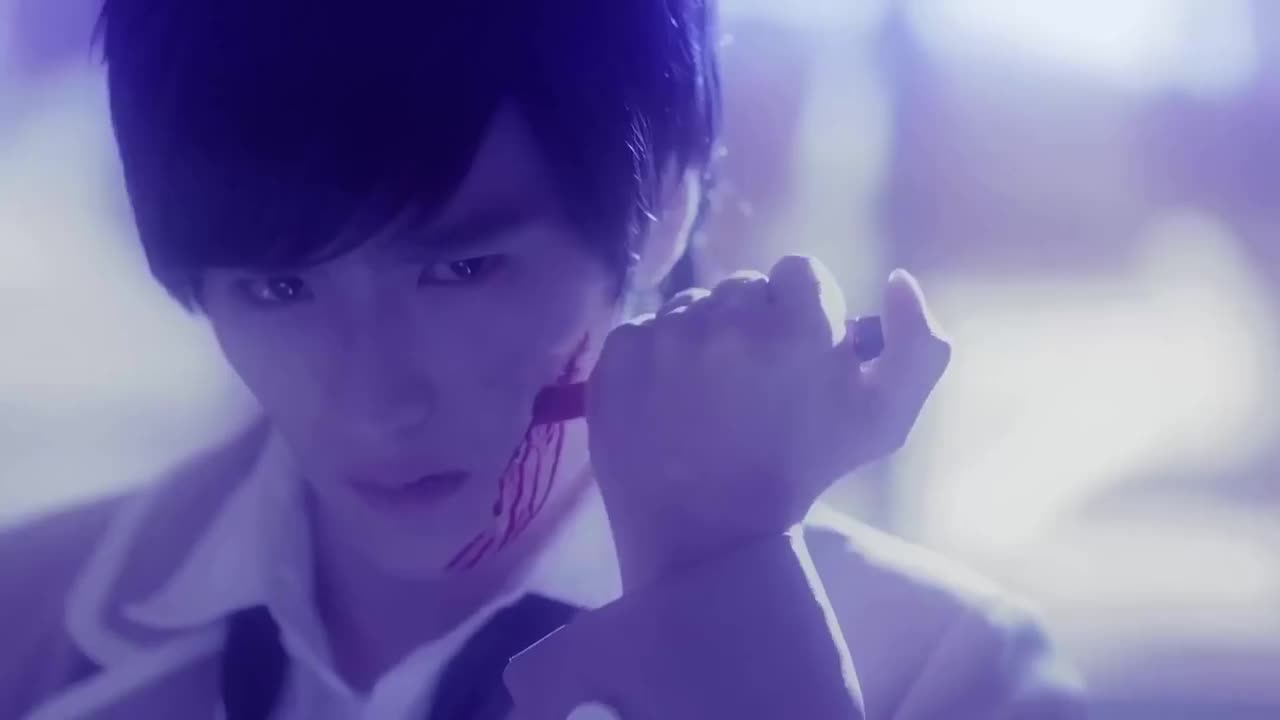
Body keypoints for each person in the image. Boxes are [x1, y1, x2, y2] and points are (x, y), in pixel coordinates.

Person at [0, 0, 1085, 718]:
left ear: (666, 201)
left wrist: (718, 579)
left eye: (460, 269)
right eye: (278, 289)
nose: (375, 403)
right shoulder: (20, 615)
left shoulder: (950, 673)